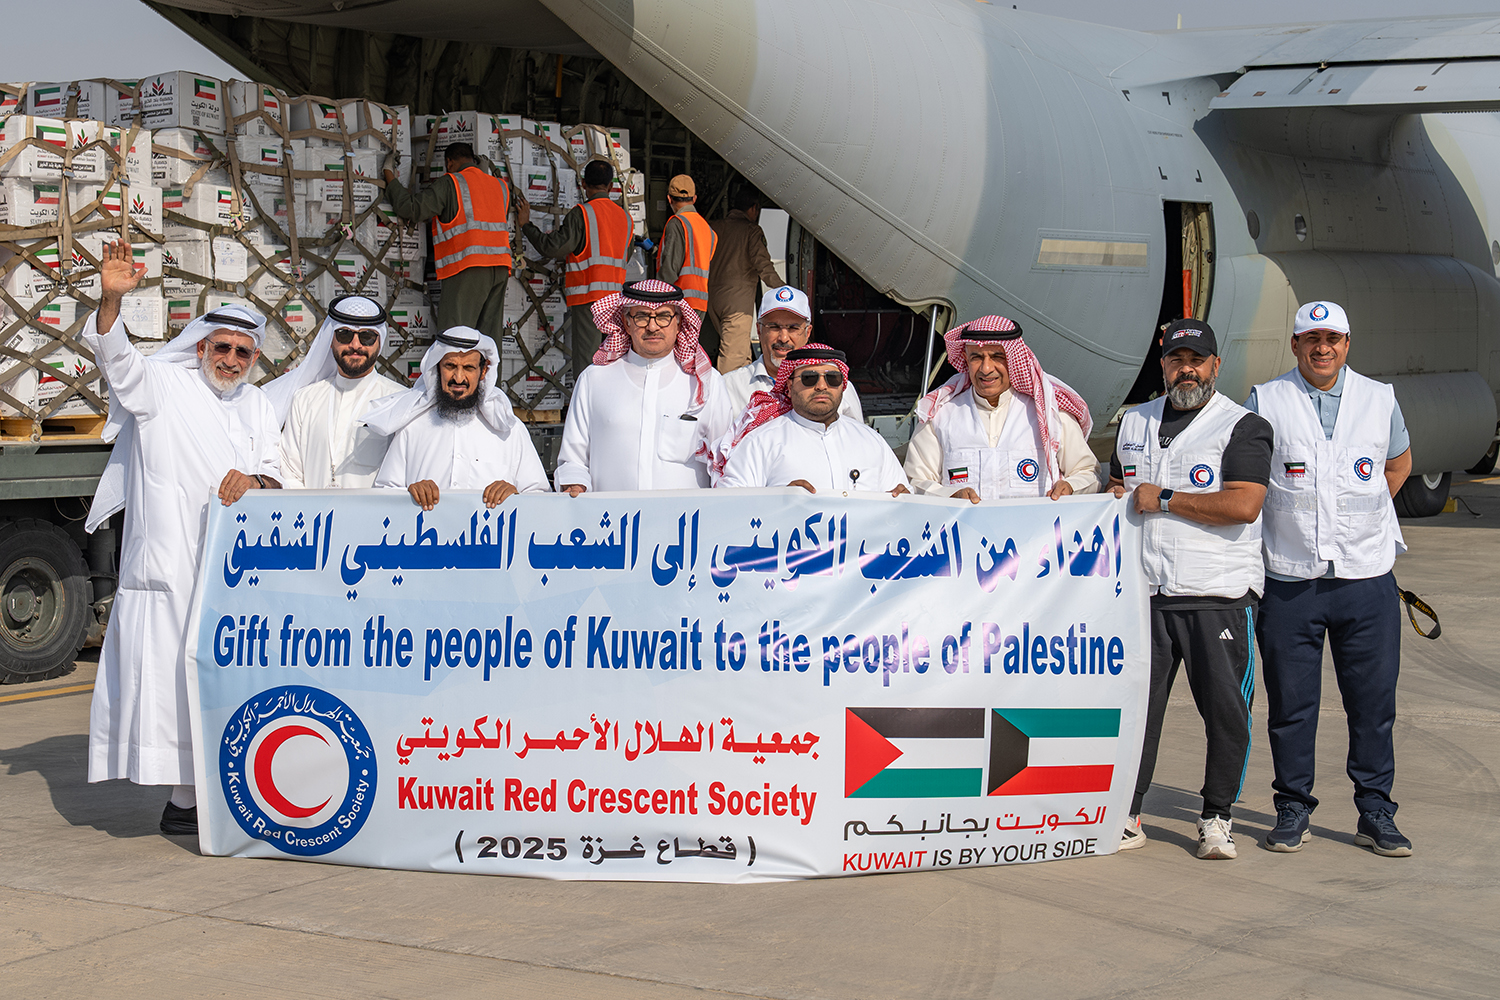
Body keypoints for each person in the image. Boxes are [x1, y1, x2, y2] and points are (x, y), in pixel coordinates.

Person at [83, 241, 282, 837]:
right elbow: (117, 362)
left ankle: (208, 799)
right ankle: (182, 800)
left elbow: (275, 471)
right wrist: (112, 299)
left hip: (235, 575)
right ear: (200, 347)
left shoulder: (259, 405)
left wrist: (257, 480)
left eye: (243, 352)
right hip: (170, 568)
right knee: (171, 683)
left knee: (226, 683)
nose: (230, 359)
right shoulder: (163, 390)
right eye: (221, 347)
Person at [1246, 300, 1414, 857]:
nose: (1323, 348)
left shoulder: (1379, 399)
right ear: (1294, 345)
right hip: (1291, 579)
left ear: (1348, 343)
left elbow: (1398, 464)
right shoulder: (1266, 400)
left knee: (1372, 703)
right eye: (1311, 338)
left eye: (1333, 338)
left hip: (1365, 579)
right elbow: (1250, 475)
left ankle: (1375, 811)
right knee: (1291, 704)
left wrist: (1359, 515)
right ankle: (1293, 806)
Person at [1107, 318, 1273, 861]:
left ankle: (1217, 817)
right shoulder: (1135, 422)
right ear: (1163, 366)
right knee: (1138, 712)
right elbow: (1120, 485)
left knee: (1226, 713)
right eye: (1177, 359)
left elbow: (1244, 505)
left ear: (1215, 366)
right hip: (1145, 597)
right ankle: (1127, 813)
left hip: (1216, 595)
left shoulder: (1242, 427)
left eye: (1197, 360)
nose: (1187, 369)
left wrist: (1168, 498)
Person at [554, 280, 734, 494]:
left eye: (663, 316)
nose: (652, 326)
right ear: (626, 322)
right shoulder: (594, 380)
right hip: (612, 522)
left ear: (679, 322)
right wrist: (575, 483)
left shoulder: (707, 383)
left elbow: (726, 463)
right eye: (641, 316)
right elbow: (572, 460)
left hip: (683, 523)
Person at [905, 315, 1099, 501]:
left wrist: (1070, 487)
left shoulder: (1051, 414)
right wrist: (949, 497)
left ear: (1014, 359)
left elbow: (1088, 474)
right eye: (977, 358)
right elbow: (915, 482)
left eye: (998, 356)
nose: (986, 368)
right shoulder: (940, 416)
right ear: (965, 358)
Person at [367, 327, 550, 509]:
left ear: (483, 371)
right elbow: (386, 493)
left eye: (468, 368)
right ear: (437, 368)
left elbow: (540, 498)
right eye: (450, 366)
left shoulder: (509, 430)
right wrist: (411, 493)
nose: (459, 377)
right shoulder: (412, 426)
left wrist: (515, 494)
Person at [714, 345, 909, 496]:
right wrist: (775, 500)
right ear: (789, 387)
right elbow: (730, 503)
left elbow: (901, 498)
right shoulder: (761, 442)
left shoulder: (871, 441)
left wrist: (904, 500)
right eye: (809, 378)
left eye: (832, 378)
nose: (822, 386)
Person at [271, 295, 407, 489]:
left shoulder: (398, 400)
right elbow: (291, 472)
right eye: (344, 335)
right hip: (313, 516)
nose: (355, 345)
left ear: (379, 343)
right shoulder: (305, 399)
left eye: (367, 337)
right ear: (330, 340)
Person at [383, 141, 512, 343]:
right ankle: (492, 376)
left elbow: (412, 209)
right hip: (501, 268)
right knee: (489, 341)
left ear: (449, 163)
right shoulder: (500, 186)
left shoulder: (451, 183)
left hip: (468, 267)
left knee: (456, 337)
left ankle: (454, 375)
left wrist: (389, 176)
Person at [516, 159, 633, 379]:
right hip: (616, 301)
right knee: (612, 358)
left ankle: (586, 409)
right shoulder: (626, 218)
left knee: (588, 360)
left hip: (589, 299)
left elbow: (553, 248)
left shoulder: (582, 214)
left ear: (583, 184)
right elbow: (625, 254)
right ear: (610, 187)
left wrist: (526, 225)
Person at [722, 286, 863, 422]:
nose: (783, 338)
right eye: (774, 327)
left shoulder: (836, 387)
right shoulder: (729, 387)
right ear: (759, 331)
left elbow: (855, 439)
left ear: (807, 332)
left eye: (793, 328)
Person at [707, 187, 785, 372]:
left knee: (740, 353)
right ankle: (727, 398)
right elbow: (763, 265)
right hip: (736, 303)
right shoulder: (751, 231)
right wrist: (784, 289)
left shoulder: (716, 227)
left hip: (712, 298)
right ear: (754, 208)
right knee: (734, 358)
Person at [655, 174, 716, 322]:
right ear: (694, 199)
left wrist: (657, 300)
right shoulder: (708, 229)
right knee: (689, 345)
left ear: (669, 199)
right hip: (700, 302)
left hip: (678, 302)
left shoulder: (677, 223)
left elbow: (670, 268)